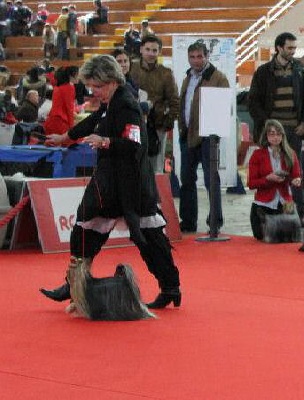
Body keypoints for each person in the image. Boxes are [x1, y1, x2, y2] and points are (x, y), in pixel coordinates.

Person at [39, 54, 181, 310]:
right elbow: (95, 121)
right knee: (85, 227)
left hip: (131, 183)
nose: (94, 92)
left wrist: (105, 142)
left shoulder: (126, 104)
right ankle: (73, 284)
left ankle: (170, 286)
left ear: (113, 80)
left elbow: (135, 145)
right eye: (92, 86)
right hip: (108, 181)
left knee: (148, 237)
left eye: (98, 86)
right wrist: (66, 137)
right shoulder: (110, 101)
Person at [248, 32, 304, 222]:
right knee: (270, 173)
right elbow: (253, 102)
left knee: (296, 174)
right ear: (279, 48)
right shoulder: (263, 71)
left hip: (295, 131)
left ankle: (297, 216)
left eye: (294, 48)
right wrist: (267, 126)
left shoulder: (300, 70)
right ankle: (271, 214)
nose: (293, 51)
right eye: (289, 48)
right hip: (272, 132)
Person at [178, 40, 229, 233]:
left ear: (207, 56)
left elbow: (223, 108)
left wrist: (213, 134)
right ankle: (188, 221)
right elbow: (184, 105)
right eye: (192, 57)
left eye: (200, 56)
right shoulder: (187, 77)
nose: (196, 60)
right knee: (187, 180)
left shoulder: (219, 78)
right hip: (187, 135)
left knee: (211, 180)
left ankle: (215, 221)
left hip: (209, 136)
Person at [130, 34, 179, 173]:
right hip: (132, 125)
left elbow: (175, 100)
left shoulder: (166, 73)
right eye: (148, 49)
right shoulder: (131, 69)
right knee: (133, 166)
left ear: (159, 52)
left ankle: (155, 194)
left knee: (156, 168)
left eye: (154, 50)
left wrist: (168, 122)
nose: (151, 53)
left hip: (157, 126)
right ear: (141, 49)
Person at [248, 119, 301, 241]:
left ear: (283, 136)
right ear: (266, 136)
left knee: (287, 239)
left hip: (285, 206)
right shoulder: (257, 154)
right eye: (272, 134)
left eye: (278, 134)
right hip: (262, 206)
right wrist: (268, 178)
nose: (275, 137)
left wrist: (296, 180)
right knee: (261, 237)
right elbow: (251, 184)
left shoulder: (290, 153)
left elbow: (296, 176)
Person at [43, 66, 79, 145]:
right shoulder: (69, 87)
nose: (79, 77)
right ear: (70, 76)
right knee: (74, 142)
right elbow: (69, 109)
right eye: (77, 74)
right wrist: (72, 128)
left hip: (51, 121)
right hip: (60, 122)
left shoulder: (57, 86)